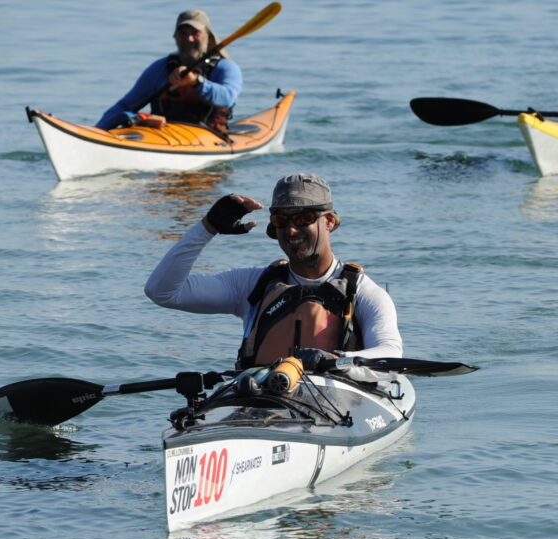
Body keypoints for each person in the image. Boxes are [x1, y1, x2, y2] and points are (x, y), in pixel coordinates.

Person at [144, 174, 403, 372]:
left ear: (329, 222)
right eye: (281, 220)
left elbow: (390, 353)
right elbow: (163, 292)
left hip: (336, 410)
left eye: (303, 218)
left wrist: (335, 360)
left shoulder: (365, 293)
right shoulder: (251, 285)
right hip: (262, 406)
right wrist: (206, 229)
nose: (291, 230)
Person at [95, 10, 243, 132]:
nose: (189, 39)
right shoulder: (160, 68)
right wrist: (98, 132)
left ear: (208, 36)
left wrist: (196, 82)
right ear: (175, 37)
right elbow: (126, 105)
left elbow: (228, 98)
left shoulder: (226, 67)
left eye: (195, 33)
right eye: (183, 33)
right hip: (163, 133)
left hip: (208, 136)